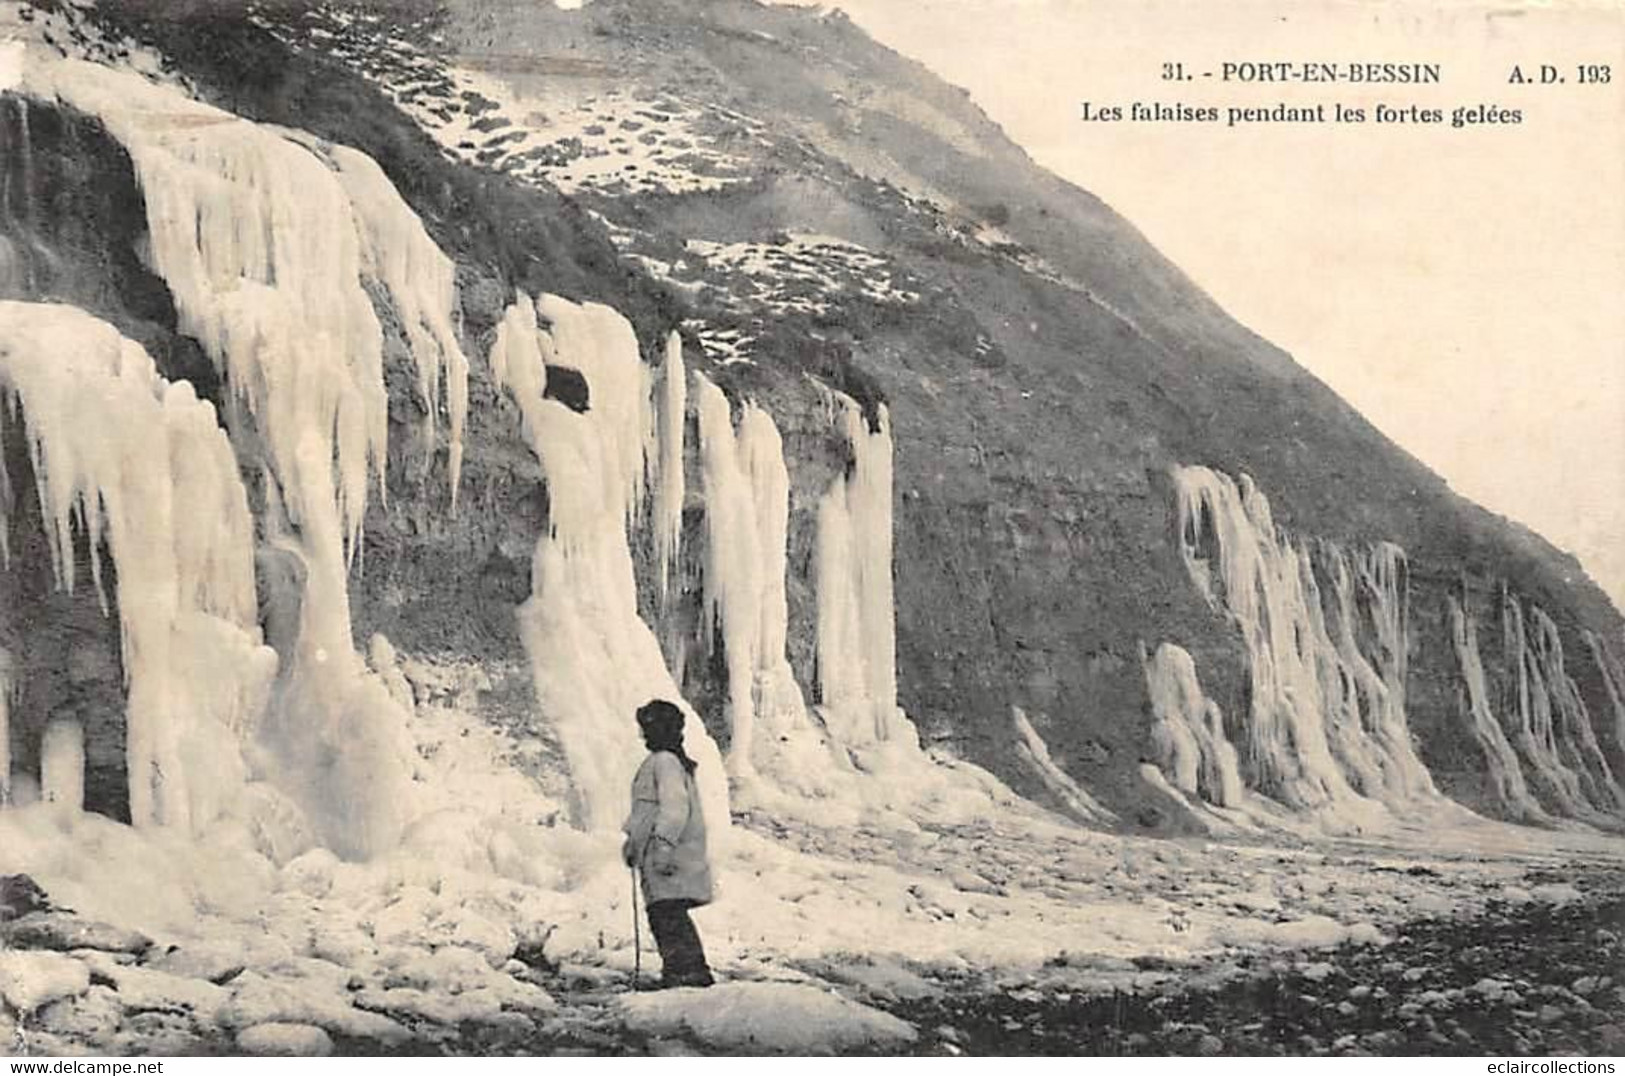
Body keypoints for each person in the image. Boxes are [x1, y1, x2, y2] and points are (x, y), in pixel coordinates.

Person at [621, 699, 715, 989]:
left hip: (668, 855)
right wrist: (632, 842)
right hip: (665, 853)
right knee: (667, 914)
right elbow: (645, 812)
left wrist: (662, 846)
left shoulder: (664, 762)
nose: (641, 735)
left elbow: (674, 809)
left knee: (667, 915)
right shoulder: (671, 761)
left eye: (644, 728)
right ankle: (685, 973)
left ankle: (687, 975)